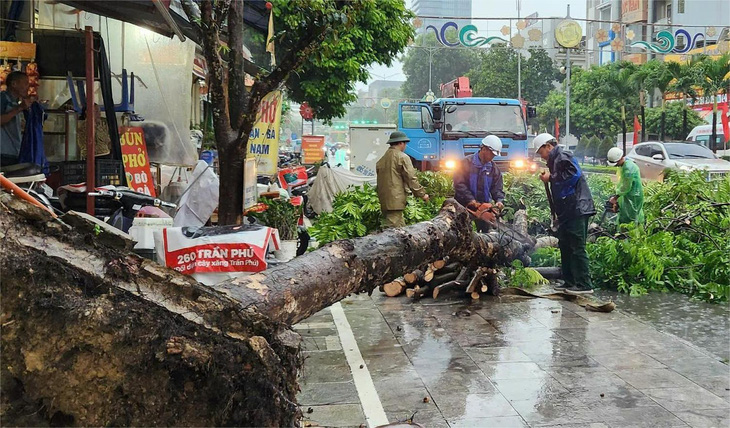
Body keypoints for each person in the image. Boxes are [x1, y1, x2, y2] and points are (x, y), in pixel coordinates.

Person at [535, 132, 596, 295]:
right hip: (568, 210)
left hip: (577, 208)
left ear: (549, 146)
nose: (541, 157)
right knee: (565, 245)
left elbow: (573, 175)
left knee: (577, 246)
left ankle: (584, 284)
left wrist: (551, 177)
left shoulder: (563, 155)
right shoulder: (555, 160)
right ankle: (569, 281)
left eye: (541, 152)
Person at [376, 131, 429, 228]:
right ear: (401, 143)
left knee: (400, 231)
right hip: (395, 201)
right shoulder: (402, 157)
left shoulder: (382, 158)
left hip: (385, 200)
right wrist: (422, 194)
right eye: (405, 144)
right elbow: (411, 178)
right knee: (392, 233)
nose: (405, 146)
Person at [453, 135, 505, 232]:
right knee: (461, 231)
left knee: (485, 233)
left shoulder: (493, 168)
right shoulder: (466, 163)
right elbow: (459, 184)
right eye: (492, 154)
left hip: (483, 206)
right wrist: (470, 200)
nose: (493, 157)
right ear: (484, 149)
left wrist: (499, 200)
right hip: (463, 204)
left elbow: (497, 188)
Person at [0, 71, 32, 167]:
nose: (28, 87)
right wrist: (20, 108)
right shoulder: (3, 98)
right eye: (25, 83)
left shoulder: (15, 102)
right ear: (14, 84)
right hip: (3, 154)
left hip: (13, 152)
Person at [606, 147, 644, 225]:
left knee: (632, 217)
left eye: (616, 163)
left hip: (633, 196)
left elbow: (626, 186)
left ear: (620, 159)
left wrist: (616, 197)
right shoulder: (625, 164)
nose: (616, 165)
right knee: (625, 214)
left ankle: (632, 234)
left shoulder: (628, 169)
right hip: (628, 194)